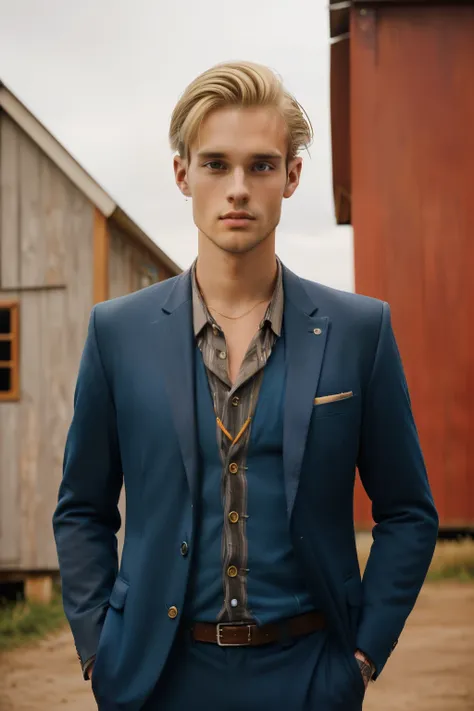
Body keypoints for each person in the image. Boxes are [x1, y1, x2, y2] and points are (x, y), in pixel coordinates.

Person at [52, 61, 438, 711]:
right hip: (156, 677)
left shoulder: (358, 330)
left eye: (260, 165)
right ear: (182, 174)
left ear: (291, 176)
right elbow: (82, 509)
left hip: (311, 674)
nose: (238, 188)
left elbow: (408, 511)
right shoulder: (117, 333)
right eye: (215, 164)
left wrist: (364, 654)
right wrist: (99, 651)